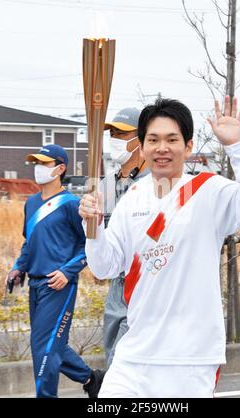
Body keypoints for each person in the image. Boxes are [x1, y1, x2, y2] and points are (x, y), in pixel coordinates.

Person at [79, 97, 240, 398]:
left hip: (190, 359)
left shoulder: (209, 191)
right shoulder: (132, 198)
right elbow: (105, 266)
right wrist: (93, 229)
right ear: (142, 146)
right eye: (153, 139)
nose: (162, 148)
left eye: (172, 139)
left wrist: (236, 147)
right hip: (135, 355)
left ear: (188, 145)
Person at [6, 144, 103, 398]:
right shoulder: (31, 203)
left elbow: (89, 245)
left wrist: (68, 272)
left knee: (45, 348)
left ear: (60, 168)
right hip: (35, 285)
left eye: (44, 163)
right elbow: (30, 243)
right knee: (48, 346)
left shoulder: (72, 204)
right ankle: (92, 379)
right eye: (36, 163)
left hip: (58, 285)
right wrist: (18, 268)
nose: (38, 168)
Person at [102, 107, 148, 367]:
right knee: (112, 356)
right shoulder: (105, 185)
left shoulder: (156, 183)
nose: (115, 138)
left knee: (125, 363)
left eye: (122, 133)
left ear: (140, 138)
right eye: (112, 133)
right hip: (116, 286)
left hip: (145, 282)